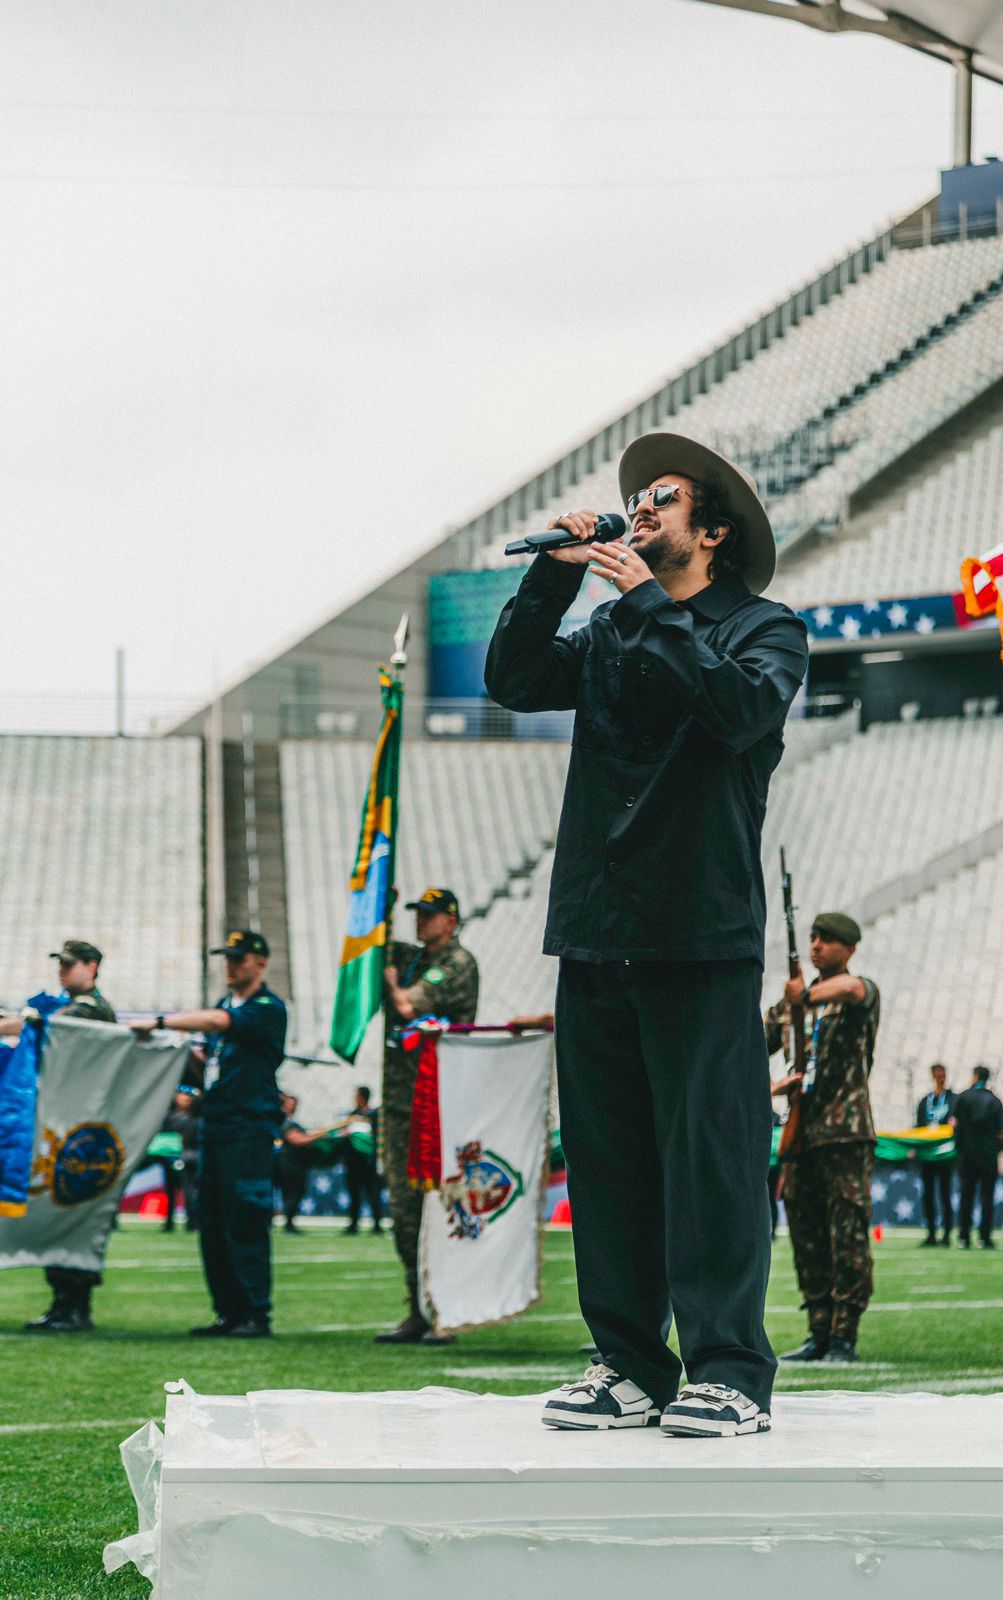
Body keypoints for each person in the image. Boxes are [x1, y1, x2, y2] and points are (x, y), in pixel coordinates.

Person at [486, 431, 807, 1437]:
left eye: (661, 498)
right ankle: (628, 1360)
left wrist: (644, 605)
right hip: (596, 928)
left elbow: (735, 710)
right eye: (638, 499)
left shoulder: (764, 629)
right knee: (611, 1155)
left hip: (699, 934)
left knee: (709, 1157)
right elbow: (513, 676)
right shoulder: (611, 634)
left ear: (709, 529)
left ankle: (729, 1371)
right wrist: (552, 577)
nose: (641, 509)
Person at [131, 929, 287, 1337]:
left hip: (248, 1128)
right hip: (215, 1125)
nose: (231, 966)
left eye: (239, 958)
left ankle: (255, 1312)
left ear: (260, 963)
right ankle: (228, 1311)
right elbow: (211, 1060)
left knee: (245, 1216)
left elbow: (220, 1023)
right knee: (211, 1219)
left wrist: (163, 1022)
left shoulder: (268, 1007)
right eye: (228, 958)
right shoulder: (226, 1003)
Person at [767, 912, 879, 1366]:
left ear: (849, 949)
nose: (817, 946)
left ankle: (843, 1335)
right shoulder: (790, 1004)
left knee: (847, 1231)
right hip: (800, 1135)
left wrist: (804, 995)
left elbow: (852, 989)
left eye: (828, 940)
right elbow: (754, 1042)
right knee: (807, 1234)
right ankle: (817, 1329)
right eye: (813, 938)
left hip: (844, 1132)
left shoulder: (854, 992)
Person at [375, 887, 479, 1344]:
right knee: (404, 1213)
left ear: (451, 921)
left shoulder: (457, 964)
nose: (422, 921)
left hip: (440, 1106)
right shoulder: (413, 958)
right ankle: (417, 1306)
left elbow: (405, 1005)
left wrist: (393, 981)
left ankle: (446, 1311)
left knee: (440, 1213)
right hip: (402, 1105)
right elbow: (370, 946)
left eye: (431, 915)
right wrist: (380, 903)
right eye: (418, 913)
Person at [18, 940, 117, 1334]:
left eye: (70, 964)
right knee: (63, 1211)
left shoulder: (91, 1010)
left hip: (85, 1128)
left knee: (76, 1212)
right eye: (61, 964)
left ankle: (75, 1304)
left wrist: (24, 1019)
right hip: (71, 1124)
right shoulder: (74, 1007)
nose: (63, 970)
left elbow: (52, 1026)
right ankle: (64, 1301)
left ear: (91, 967)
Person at [954, 1065, 1003, 1249]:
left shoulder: (962, 1098)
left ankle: (964, 1237)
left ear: (974, 1076)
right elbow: (1002, 1132)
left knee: (965, 1197)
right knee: (987, 1198)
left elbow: (954, 1125)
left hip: (966, 1156)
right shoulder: (994, 1101)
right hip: (988, 1157)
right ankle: (985, 1237)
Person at [915, 1063, 956, 1247]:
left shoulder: (953, 1099)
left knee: (945, 1194)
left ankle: (947, 1234)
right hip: (927, 1156)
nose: (941, 1077)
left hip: (945, 1156)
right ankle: (931, 1234)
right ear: (932, 1075)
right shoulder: (925, 1101)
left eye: (943, 1074)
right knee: (928, 1195)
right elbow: (918, 1127)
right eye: (938, 1074)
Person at [274, 1092, 317, 1232]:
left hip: (295, 1164)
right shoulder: (285, 1122)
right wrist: (319, 1135)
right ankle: (288, 1223)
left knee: (295, 1193)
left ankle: (289, 1222)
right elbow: (296, 1139)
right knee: (291, 1194)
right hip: (288, 1165)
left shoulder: (291, 1122)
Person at [343, 1085, 383, 1235]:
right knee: (354, 1194)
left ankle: (377, 1225)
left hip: (368, 1162)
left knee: (373, 1192)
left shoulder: (374, 1115)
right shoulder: (352, 1115)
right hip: (353, 1162)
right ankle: (353, 1224)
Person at [162, 1085, 202, 1232]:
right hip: (170, 1156)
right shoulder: (168, 1116)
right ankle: (168, 1222)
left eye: (189, 1096)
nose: (185, 1099)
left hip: (190, 1156)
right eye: (182, 1095)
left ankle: (193, 1222)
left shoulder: (197, 1118)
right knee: (171, 1189)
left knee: (190, 1190)